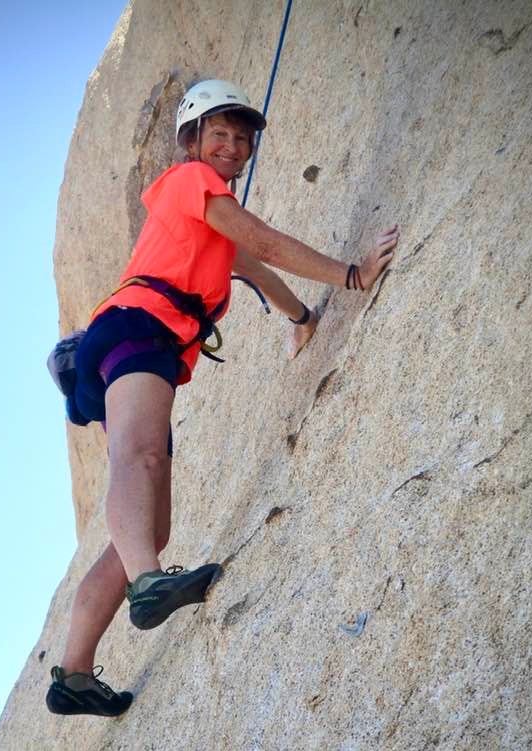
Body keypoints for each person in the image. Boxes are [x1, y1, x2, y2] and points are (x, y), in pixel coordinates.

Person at [46, 79, 399, 717]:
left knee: (151, 520)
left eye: (241, 137)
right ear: (192, 142)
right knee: (142, 458)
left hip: (139, 346)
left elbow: (255, 267)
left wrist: (301, 318)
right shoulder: (188, 184)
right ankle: (149, 582)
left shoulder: (209, 224)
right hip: (137, 329)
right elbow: (264, 242)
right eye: (219, 135)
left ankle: (73, 674)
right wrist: (352, 274)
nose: (232, 146)